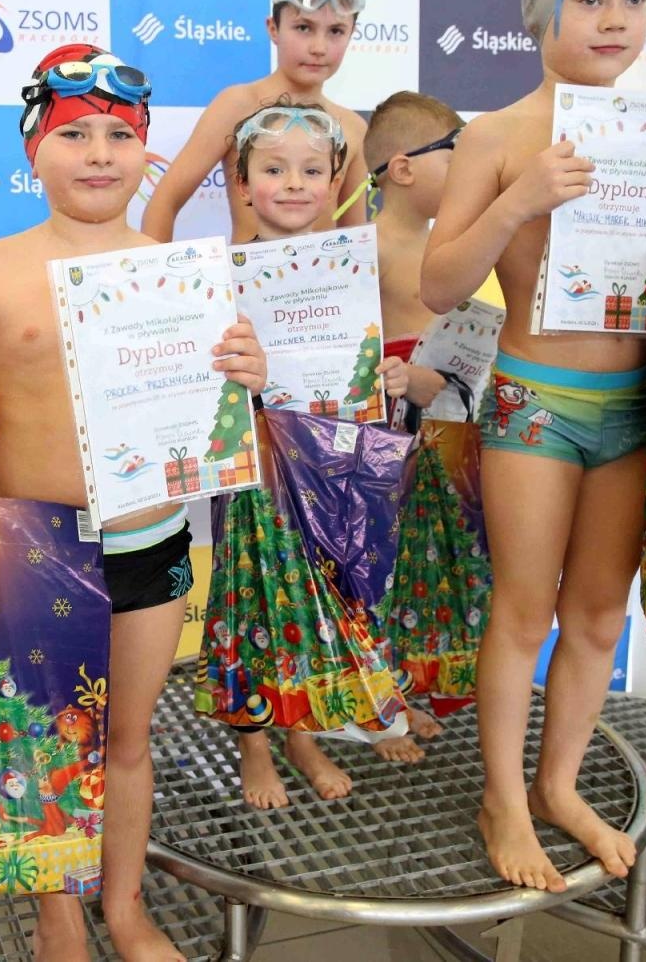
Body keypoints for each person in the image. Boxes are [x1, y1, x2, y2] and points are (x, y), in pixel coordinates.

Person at [0, 44, 267, 962]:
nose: (99, 153)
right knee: (43, 744)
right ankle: (57, 911)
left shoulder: (180, 271)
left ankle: (124, 906)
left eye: (119, 135)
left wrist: (247, 378)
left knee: (129, 739)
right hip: (34, 546)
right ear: (34, 152)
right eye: (74, 135)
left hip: (149, 534)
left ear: (146, 152)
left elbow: (215, 410)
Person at [419, 0, 646, 892]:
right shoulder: (497, 137)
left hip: (636, 406)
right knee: (521, 609)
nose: (613, 20)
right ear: (542, 8)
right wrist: (516, 201)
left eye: (633, 0)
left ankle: (558, 784)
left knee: (595, 615)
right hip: (536, 399)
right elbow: (435, 282)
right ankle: (500, 794)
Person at [222, 99, 365, 809]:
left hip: (326, 463)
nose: (294, 183)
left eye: (312, 170)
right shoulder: (217, 273)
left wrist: (385, 375)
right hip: (250, 468)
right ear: (243, 183)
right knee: (252, 604)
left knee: (314, 602)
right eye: (274, 169)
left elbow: (361, 364)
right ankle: (255, 746)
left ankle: (302, 731)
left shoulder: (349, 267)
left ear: (336, 181)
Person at [359, 90, 478, 764]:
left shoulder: (452, 249)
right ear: (403, 168)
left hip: (444, 427)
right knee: (375, 567)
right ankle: (378, 710)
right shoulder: (359, 251)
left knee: (417, 570)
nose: (468, 169)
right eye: (454, 154)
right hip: (385, 434)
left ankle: (405, 690)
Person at [139, 0, 370, 243]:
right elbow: (165, 202)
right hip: (247, 284)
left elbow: (355, 238)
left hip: (323, 288)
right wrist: (157, 285)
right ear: (273, 28)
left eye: (335, 31)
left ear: (351, 34)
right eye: (303, 28)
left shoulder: (354, 129)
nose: (318, 47)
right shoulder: (238, 105)